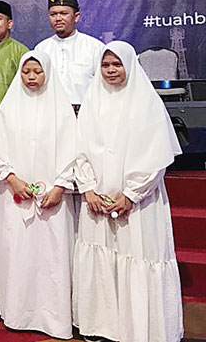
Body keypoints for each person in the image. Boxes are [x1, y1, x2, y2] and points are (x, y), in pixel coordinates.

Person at [73, 41, 183, 342]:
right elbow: (78, 149)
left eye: (116, 65)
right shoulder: (92, 99)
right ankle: (101, 325)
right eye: (105, 65)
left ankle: (140, 329)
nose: (110, 71)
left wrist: (132, 194)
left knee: (137, 254)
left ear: (130, 66)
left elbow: (156, 156)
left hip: (137, 202)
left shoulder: (146, 102)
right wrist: (88, 188)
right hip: (97, 199)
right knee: (102, 258)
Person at [0, 51, 76, 339]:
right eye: (26, 71)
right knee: (17, 252)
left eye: (37, 72)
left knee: (51, 257)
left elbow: (72, 149)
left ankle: (53, 318)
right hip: (15, 195)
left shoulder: (61, 108)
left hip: (52, 198)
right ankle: (17, 313)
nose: (31, 77)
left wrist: (59, 186)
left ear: (47, 74)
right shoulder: (8, 107)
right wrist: (12, 179)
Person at [35, 0, 105, 112]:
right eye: (53, 14)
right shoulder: (41, 49)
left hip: (86, 114)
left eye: (63, 13)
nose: (58, 18)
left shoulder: (94, 47)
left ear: (76, 16)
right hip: (50, 113)